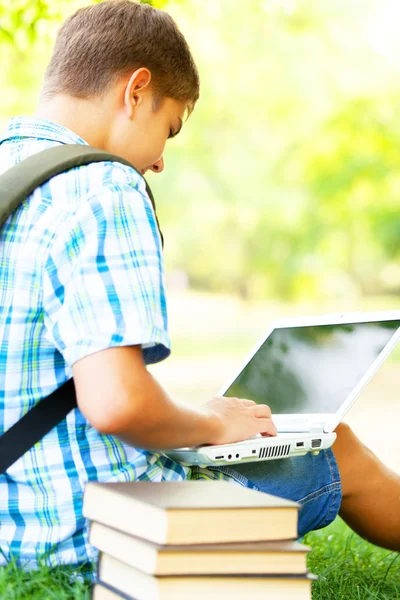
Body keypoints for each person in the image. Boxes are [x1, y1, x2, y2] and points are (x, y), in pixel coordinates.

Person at [0, 0, 399, 572]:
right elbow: (116, 403)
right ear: (136, 91)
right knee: (339, 448)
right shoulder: (104, 185)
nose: (160, 161)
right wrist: (215, 424)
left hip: (12, 527)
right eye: (170, 128)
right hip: (93, 534)